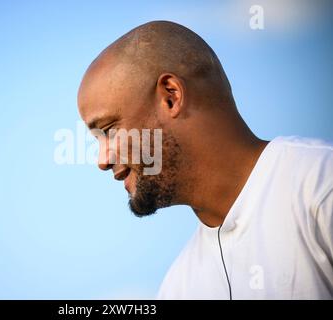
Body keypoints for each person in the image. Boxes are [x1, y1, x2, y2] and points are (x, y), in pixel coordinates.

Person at [77, 20, 333, 299]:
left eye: (109, 130)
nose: (102, 159)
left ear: (171, 97)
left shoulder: (320, 187)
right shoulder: (178, 288)